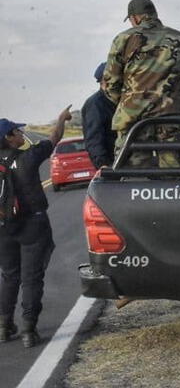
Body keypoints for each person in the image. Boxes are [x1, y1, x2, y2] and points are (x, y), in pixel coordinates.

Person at [0, 106, 72, 347]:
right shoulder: (27, 158)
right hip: (32, 224)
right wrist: (61, 119)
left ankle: (3, 326)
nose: (21, 134)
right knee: (31, 278)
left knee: (9, 276)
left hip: (3, 227)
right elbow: (54, 138)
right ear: (8, 137)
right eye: (17, 131)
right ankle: (29, 330)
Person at [102, 0, 180, 168]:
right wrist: (174, 98)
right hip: (170, 115)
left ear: (135, 18)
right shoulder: (179, 38)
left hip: (133, 118)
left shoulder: (123, 39)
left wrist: (127, 101)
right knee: (173, 174)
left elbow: (110, 82)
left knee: (132, 176)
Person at [81, 62, 116, 168]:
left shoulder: (123, 100)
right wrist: (102, 164)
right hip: (112, 164)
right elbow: (94, 138)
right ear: (103, 82)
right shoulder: (95, 104)